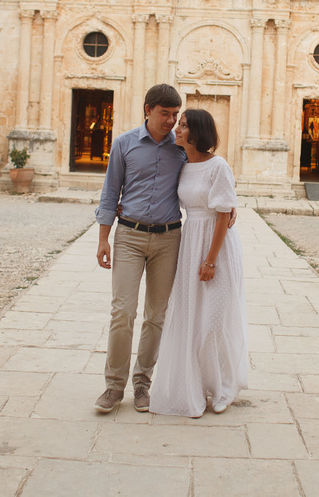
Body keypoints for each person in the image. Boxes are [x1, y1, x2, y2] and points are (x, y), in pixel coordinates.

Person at [149, 109, 248, 418]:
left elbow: (222, 213)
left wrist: (211, 260)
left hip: (215, 247)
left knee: (214, 324)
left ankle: (224, 388)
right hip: (190, 241)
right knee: (193, 319)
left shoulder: (218, 166)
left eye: (183, 125)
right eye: (178, 125)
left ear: (197, 132)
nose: (176, 129)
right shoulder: (183, 165)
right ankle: (200, 385)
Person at [93, 84, 184, 414]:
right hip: (129, 236)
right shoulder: (124, 144)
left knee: (156, 316)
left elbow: (207, 170)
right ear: (148, 110)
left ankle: (143, 383)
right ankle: (113, 386)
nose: (171, 121)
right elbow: (109, 194)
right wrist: (104, 239)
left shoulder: (183, 147)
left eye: (175, 115)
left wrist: (226, 204)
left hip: (168, 239)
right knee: (122, 312)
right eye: (165, 114)